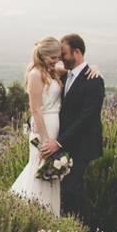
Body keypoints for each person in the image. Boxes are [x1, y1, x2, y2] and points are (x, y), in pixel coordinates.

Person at [38, 34, 105, 219]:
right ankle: (68, 225)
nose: (60, 58)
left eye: (64, 54)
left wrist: (58, 143)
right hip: (67, 142)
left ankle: (81, 230)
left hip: (83, 145)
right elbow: (41, 64)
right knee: (66, 189)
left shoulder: (94, 80)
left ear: (76, 52)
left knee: (72, 189)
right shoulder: (66, 74)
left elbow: (87, 119)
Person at [10, 37, 65, 216]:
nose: (57, 61)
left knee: (51, 172)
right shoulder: (35, 74)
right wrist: (46, 139)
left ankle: (49, 215)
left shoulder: (52, 71)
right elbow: (35, 109)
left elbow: (74, 69)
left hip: (55, 126)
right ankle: (32, 214)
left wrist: (95, 69)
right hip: (44, 128)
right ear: (43, 55)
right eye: (54, 58)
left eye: (59, 57)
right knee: (40, 168)